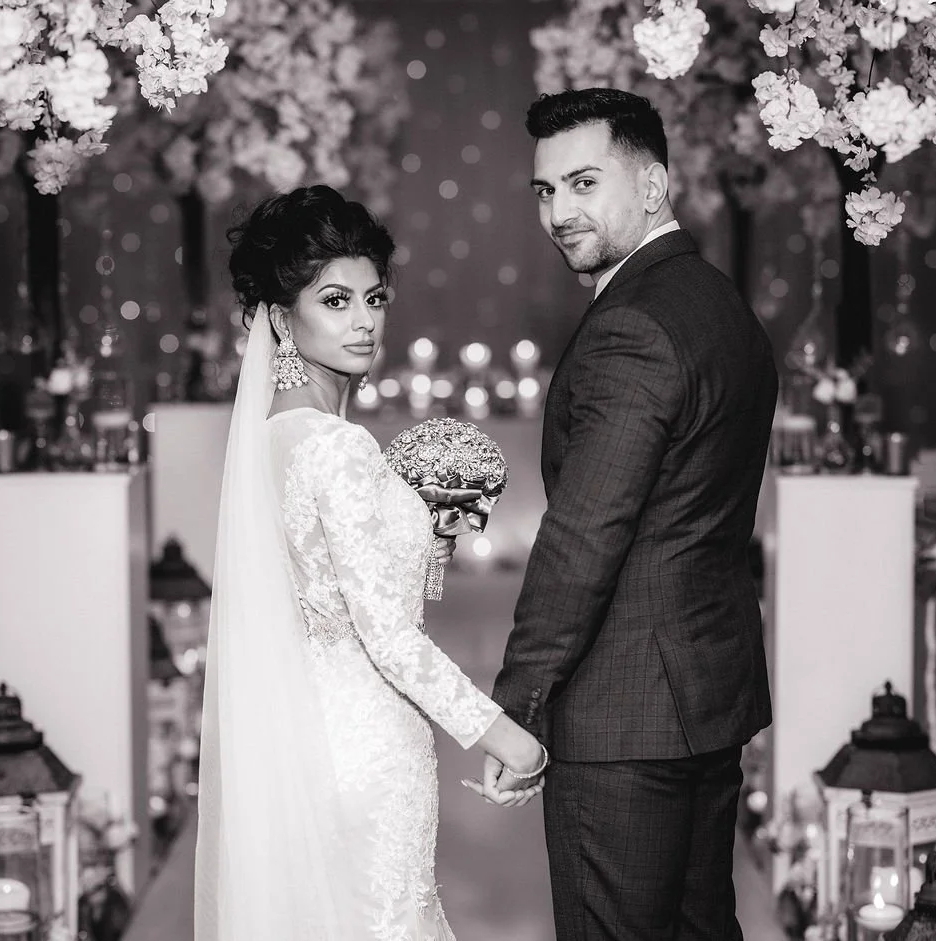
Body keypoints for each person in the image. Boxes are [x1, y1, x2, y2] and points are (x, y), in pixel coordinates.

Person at [193, 185, 547, 941]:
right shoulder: (337, 445)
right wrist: (502, 733)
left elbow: (327, 589)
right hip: (367, 743)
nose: (362, 320)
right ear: (283, 319)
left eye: (374, 297)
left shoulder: (269, 440)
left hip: (300, 737)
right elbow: (388, 635)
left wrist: (425, 540)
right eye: (335, 300)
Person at [485, 89, 779, 940]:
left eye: (583, 182)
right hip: (705, 696)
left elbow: (584, 535)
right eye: (545, 191)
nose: (559, 212)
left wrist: (518, 704)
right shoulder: (721, 305)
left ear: (652, 183)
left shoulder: (633, 327)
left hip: (623, 719)